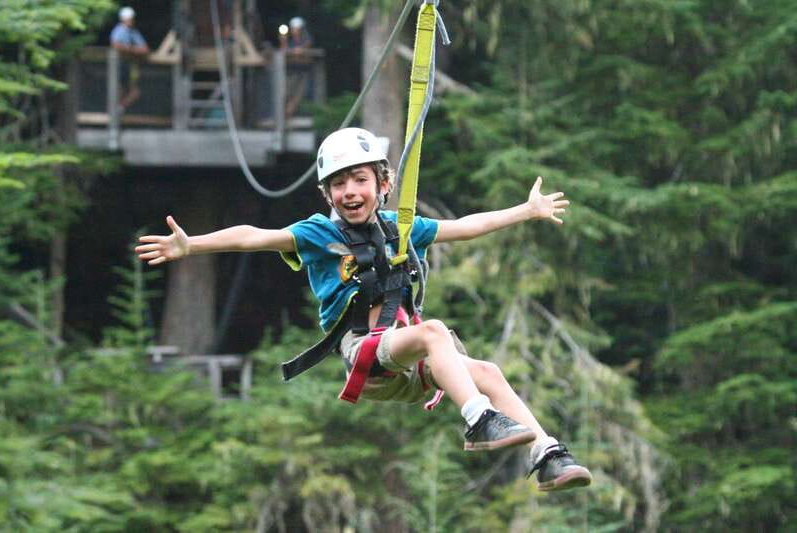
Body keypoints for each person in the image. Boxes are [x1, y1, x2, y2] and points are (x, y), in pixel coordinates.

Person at [135, 128, 593, 492]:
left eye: (360, 180)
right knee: (435, 332)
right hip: (366, 354)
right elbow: (254, 235)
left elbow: (467, 226)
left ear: (383, 185)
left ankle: (548, 455)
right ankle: (477, 419)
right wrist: (192, 245)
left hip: (409, 359)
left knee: (487, 370)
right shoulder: (317, 234)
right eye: (339, 184)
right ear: (327, 194)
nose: (350, 191)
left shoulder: (404, 228)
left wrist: (525, 211)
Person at [109, 6, 149, 112]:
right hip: (120, 64)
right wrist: (133, 50)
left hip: (130, 65)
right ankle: (116, 110)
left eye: (131, 18)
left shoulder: (133, 32)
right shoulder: (119, 30)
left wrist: (129, 49)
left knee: (135, 91)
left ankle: (120, 108)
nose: (131, 20)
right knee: (120, 89)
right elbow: (116, 45)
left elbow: (144, 49)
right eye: (129, 18)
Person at [278, 16, 313, 119]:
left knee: (298, 95)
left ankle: (288, 114)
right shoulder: (289, 40)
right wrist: (283, 41)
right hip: (291, 71)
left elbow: (304, 48)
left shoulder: (306, 39)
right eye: (293, 28)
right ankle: (286, 115)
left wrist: (296, 51)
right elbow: (283, 51)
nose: (294, 30)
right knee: (287, 93)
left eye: (296, 28)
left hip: (303, 72)